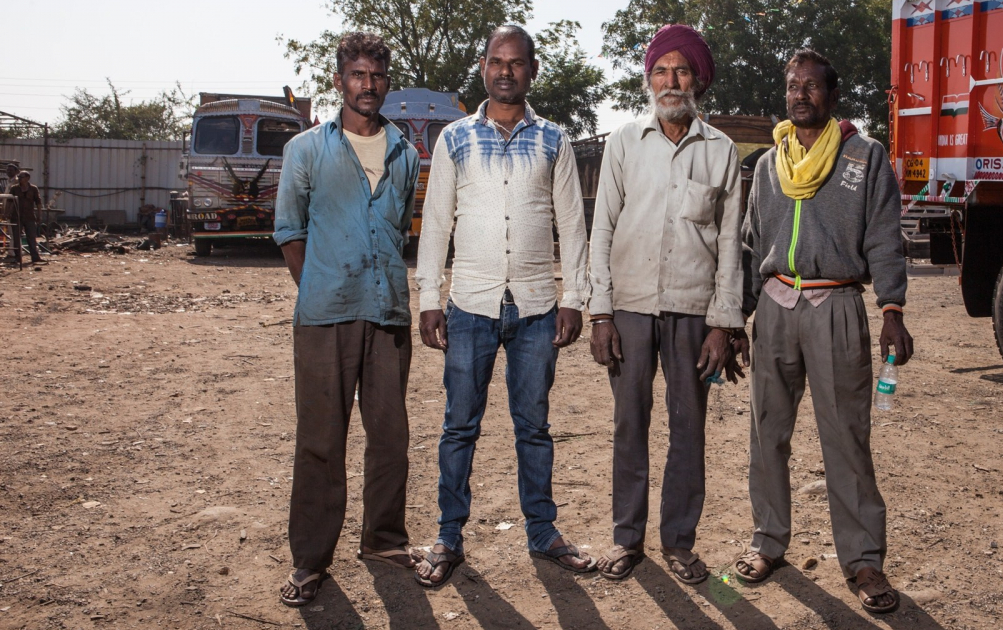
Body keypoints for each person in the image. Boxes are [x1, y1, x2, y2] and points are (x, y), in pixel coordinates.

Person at [733, 49, 914, 615]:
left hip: (836, 305)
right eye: (792, 85)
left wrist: (892, 310)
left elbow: (885, 235)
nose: (800, 94)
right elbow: (747, 244)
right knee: (767, 435)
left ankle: (863, 561)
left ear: (832, 96)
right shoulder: (768, 165)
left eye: (812, 86)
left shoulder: (865, 156)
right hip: (775, 304)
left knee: (846, 439)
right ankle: (768, 542)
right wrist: (735, 320)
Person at [413, 24, 594, 587]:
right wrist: (428, 298)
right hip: (469, 303)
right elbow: (437, 222)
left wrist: (573, 298)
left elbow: (572, 223)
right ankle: (449, 536)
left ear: (531, 71)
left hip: (538, 306)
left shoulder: (554, 140)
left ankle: (542, 531)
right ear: (484, 67)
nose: (505, 71)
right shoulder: (455, 139)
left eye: (516, 63)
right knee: (458, 426)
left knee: (533, 427)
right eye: (496, 61)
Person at [588, 24, 744, 585]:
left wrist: (724, 323)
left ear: (698, 80)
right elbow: (601, 227)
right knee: (630, 423)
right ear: (648, 80)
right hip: (629, 306)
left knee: (688, 427)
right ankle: (626, 538)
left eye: (681, 71)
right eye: (660, 71)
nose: (670, 81)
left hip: (692, 312)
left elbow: (729, 245)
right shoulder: (624, 142)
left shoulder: (721, 150)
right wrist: (599, 312)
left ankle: (679, 541)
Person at [272, 32, 422, 607]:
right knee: (319, 439)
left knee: (390, 435)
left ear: (387, 83)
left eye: (377, 76)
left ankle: (383, 539)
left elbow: (400, 231)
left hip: (387, 313)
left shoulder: (405, 153)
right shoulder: (306, 150)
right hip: (324, 317)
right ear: (339, 82)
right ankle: (311, 560)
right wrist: (322, 286)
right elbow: (290, 232)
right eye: (357, 75)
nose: (368, 85)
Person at [9, 171, 45, 264]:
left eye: (21, 177)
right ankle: (18, 258)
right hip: (16, 216)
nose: (19, 178)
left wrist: (39, 215)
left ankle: (35, 257)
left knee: (31, 237)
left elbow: (38, 202)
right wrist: (7, 213)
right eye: (19, 177)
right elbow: (10, 202)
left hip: (30, 217)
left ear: (27, 178)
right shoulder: (14, 189)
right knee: (16, 238)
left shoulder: (33, 189)